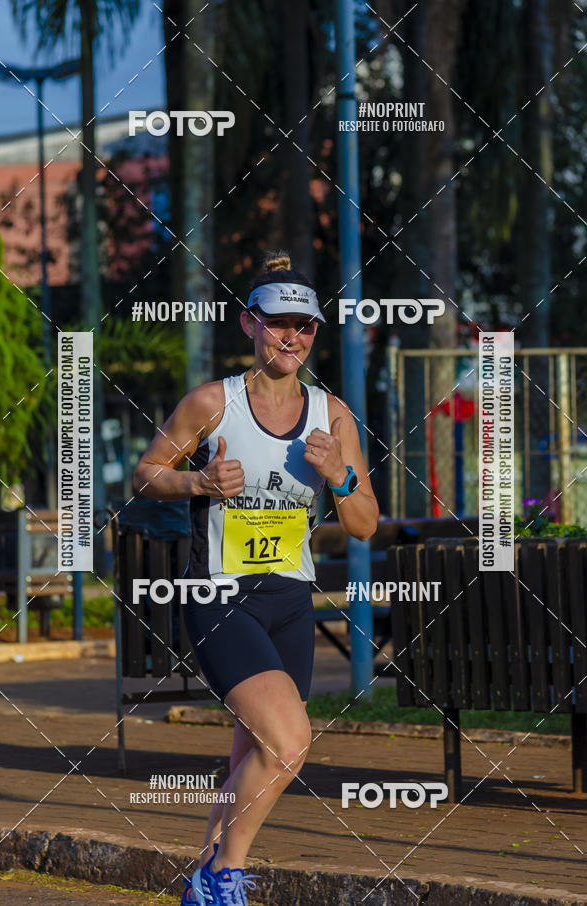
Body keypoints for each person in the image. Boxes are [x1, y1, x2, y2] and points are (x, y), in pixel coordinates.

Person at [133, 251, 379, 905]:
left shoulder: (333, 416)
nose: (291, 337)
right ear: (249, 325)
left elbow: (364, 523)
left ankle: (204, 883)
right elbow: (147, 472)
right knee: (291, 740)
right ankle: (222, 879)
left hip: (289, 602)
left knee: (255, 756)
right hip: (219, 594)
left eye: (303, 325)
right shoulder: (214, 403)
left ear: (315, 333)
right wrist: (198, 479)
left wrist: (341, 477)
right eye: (277, 324)